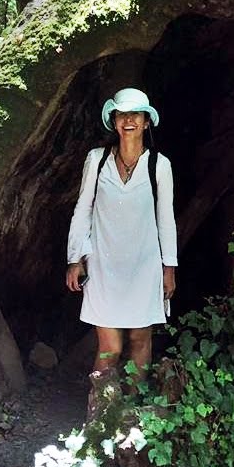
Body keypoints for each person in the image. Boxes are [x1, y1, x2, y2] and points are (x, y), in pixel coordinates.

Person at [66, 87, 177, 403]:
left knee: (140, 340)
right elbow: (83, 209)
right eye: (122, 115)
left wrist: (169, 268)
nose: (128, 120)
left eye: (135, 115)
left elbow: (166, 219)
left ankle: (133, 412)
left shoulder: (158, 165)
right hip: (103, 265)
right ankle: (100, 416)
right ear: (114, 121)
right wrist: (75, 258)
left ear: (146, 122)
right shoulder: (97, 160)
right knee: (110, 347)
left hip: (144, 265)